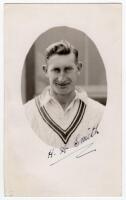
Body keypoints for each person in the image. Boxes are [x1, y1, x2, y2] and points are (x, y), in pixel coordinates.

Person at [24, 40, 105, 148]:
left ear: (79, 68)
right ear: (45, 71)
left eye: (68, 69)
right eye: (56, 70)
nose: (62, 78)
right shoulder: (27, 113)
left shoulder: (100, 114)